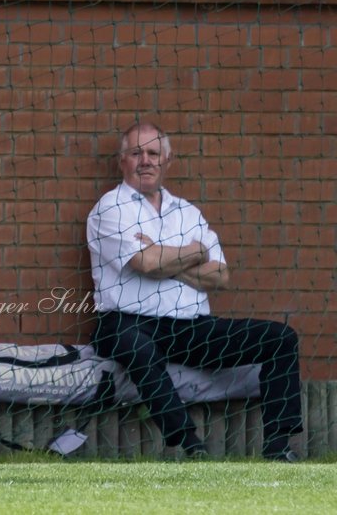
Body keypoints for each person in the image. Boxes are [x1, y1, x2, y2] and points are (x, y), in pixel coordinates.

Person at [87, 120, 303, 461]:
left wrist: (164, 256)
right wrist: (193, 253)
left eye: (154, 153)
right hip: (125, 321)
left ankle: (278, 447)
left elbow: (220, 276)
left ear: (167, 162)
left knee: (280, 338)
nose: (145, 160)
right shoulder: (110, 208)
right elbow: (145, 264)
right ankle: (190, 444)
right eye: (136, 153)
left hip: (189, 327)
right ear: (122, 161)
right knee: (138, 347)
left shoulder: (187, 212)